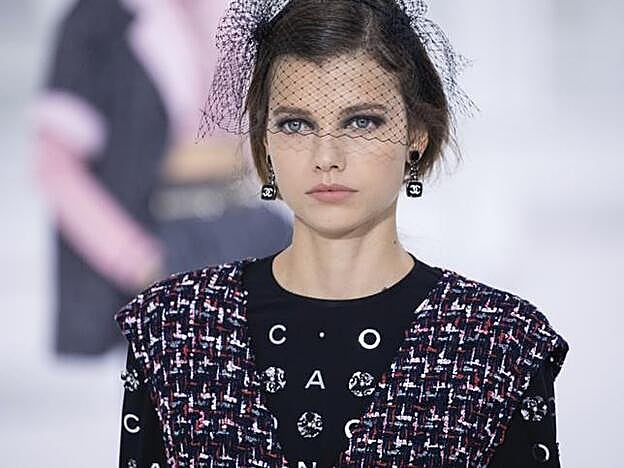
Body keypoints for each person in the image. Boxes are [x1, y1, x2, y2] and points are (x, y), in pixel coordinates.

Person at [114, 0, 569, 466]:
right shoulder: (175, 328)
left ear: (417, 133)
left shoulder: (497, 342)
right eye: (295, 124)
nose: (326, 157)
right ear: (264, 140)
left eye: (361, 121)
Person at [34, 0, 292, 356]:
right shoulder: (99, 18)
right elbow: (56, 166)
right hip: (167, 238)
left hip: (255, 226)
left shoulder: (244, 12)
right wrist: (138, 260)